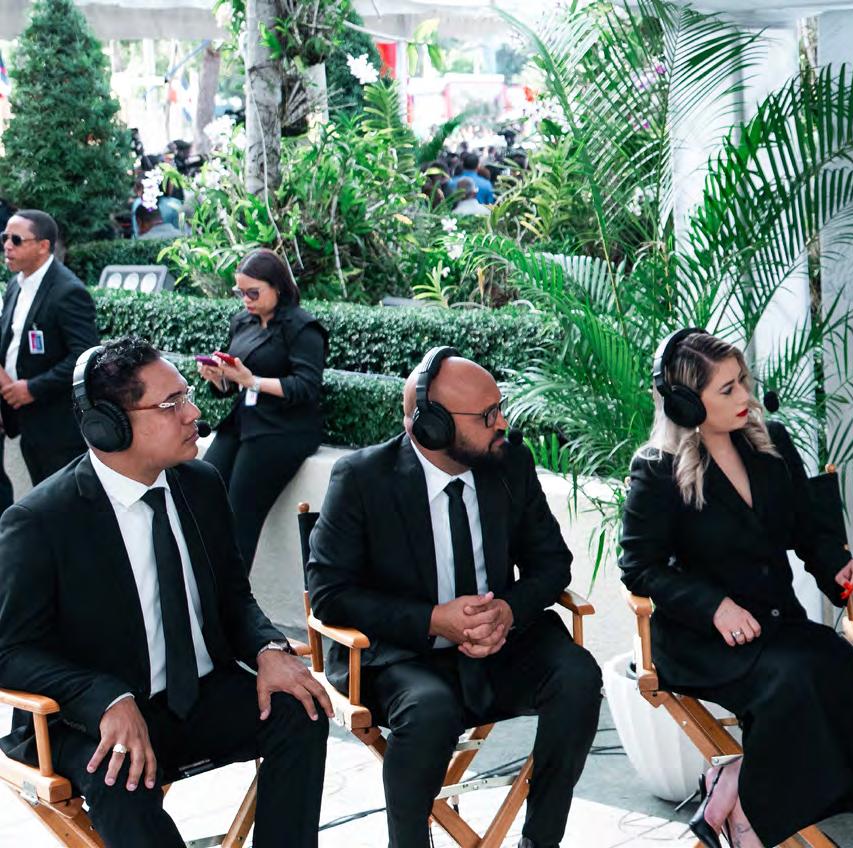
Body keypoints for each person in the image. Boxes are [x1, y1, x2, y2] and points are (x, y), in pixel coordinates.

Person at [0, 336, 329, 846]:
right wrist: (105, 697)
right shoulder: (41, 520)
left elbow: (234, 599)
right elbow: (10, 651)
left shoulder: (202, 484)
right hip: (90, 719)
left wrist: (268, 648)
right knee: (120, 773)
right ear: (107, 425)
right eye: (171, 403)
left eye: (186, 396)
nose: (193, 413)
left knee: (302, 710)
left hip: (199, 695)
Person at [305, 348, 599, 848]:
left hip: (499, 648)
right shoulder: (362, 478)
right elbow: (329, 594)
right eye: (487, 416)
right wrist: (432, 619)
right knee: (430, 710)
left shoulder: (509, 463)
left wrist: (507, 611)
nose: (502, 423)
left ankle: (540, 839)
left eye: (499, 408)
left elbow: (552, 563)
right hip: (401, 656)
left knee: (578, 677)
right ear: (433, 425)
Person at [620, 329, 853, 848]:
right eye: (727, 389)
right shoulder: (657, 469)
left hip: (775, 622)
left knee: (840, 663)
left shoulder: (771, 442)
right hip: (701, 638)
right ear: (686, 403)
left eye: (742, 381)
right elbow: (639, 567)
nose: (745, 397)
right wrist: (714, 606)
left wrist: (840, 570)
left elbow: (810, 533)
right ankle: (751, 825)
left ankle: (736, 784)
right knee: (792, 680)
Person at [196, 249, 327, 571]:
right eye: (240, 292)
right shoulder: (243, 322)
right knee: (203, 491)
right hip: (244, 421)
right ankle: (204, 582)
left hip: (284, 428)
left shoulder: (302, 327)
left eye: (253, 292)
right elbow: (233, 384)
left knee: (241, 513)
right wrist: (219, 378)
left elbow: (305, 387)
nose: (246, 300)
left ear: (277, 287)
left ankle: (232, 594)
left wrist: (251, 381)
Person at [0, 209, 100, 509]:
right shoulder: (16, 284)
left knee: (65, 506)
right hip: (24, 419)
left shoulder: (68, 291)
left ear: (43, 246)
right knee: (41, 504)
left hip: (57, 424)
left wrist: (32, 388)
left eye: (16, 240)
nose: (7, 246)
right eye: (4, 238)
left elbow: (85, 357)